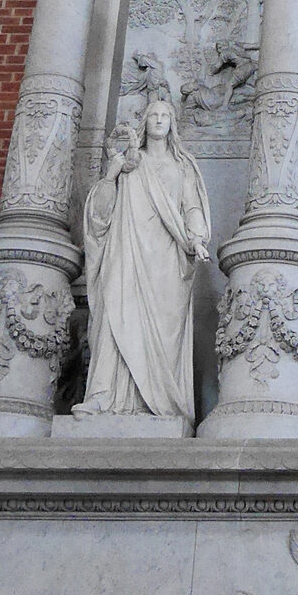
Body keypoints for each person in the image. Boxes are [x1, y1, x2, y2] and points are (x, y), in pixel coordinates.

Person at [73, 88, 210, 427]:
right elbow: (99, 215)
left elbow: (191, 206)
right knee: (115, 316)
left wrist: (197, 238)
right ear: (144, 122)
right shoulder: (130, 164)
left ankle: (158, 402)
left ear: (173, 124)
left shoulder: (183, 166)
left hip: (166, 257)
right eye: (153, 115)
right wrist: (111, 174)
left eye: (165, 116)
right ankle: (103, 397)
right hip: (127, 249)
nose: (159, 120)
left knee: (163, 328)